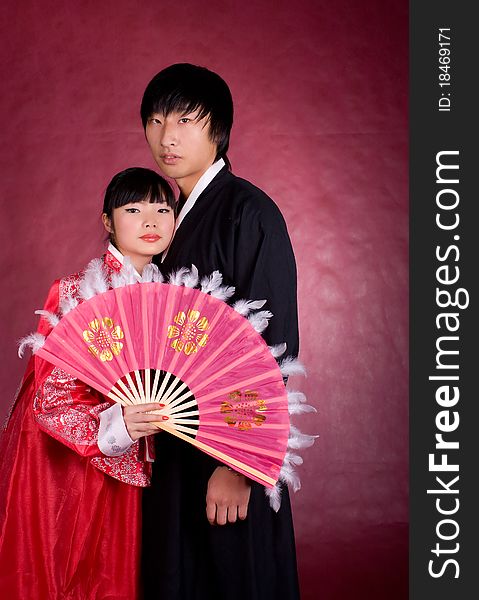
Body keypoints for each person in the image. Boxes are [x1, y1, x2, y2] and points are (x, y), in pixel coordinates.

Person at [141, 64, 301, 600]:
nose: (168, 136)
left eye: (187, 119)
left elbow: (272, 347)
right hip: (175, 447)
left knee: (233, 582)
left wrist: (239, 464)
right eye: (158, 120)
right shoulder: (166, 224)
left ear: (218, 130)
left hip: (227, 454)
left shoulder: (248, 213)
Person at [0, 167, 176, 600]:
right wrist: (121, 423)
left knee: (112, 577)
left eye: (162, 208)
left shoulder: (173, 298)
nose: (151, 221)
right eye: (133, 209)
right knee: (64, 573)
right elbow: (51, 399)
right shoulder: (76, 293)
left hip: (128, 464)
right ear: (107, 221)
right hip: (64, 464)